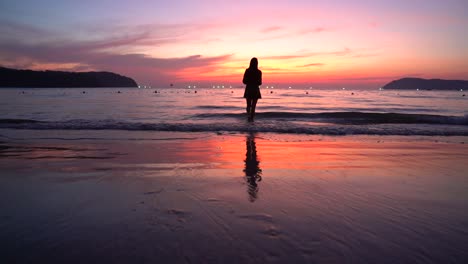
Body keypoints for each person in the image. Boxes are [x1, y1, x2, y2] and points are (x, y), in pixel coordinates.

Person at [242, 57, 262, 122]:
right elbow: (260, 83)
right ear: (257, 63)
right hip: (255, 90)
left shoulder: (247, 71)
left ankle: (248, 118)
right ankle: (252, 119)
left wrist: (249, 81)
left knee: (248, 105)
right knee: (253, 106)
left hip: (249, 89)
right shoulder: (259, 72)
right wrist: (255, 82)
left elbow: (244, 81)